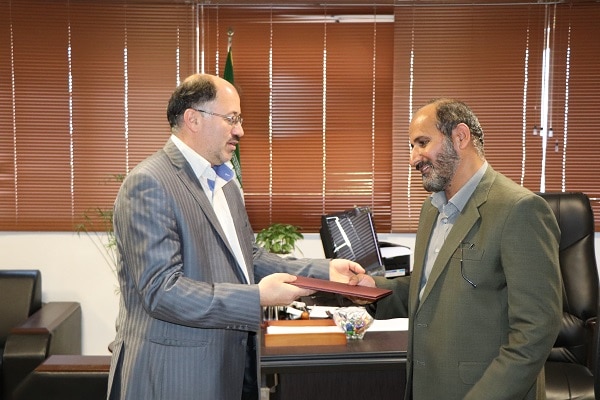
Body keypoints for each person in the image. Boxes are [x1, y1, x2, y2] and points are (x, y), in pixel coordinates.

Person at [106, 73, 364, 400]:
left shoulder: (225, 182)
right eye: (231, 119)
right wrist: (257, 297)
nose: (240, 130)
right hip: (174, 375)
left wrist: (323, 272)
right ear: (193, 119)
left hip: (229, 368)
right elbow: (161, 291)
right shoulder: (149, 183)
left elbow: (247, 258)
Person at [352, 98, 562, 399]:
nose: (413, 159)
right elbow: (429, 289)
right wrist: (372, 289)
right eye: (412, 146)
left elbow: (535, 332)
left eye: (422, 143)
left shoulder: (520, 209)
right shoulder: (432, 209)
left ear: (460, 137)